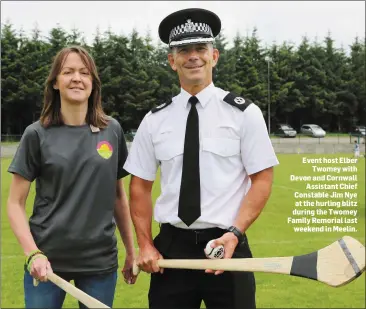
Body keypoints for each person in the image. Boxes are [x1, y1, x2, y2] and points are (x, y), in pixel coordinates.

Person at [124, 8, 279, 309]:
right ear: (172, 61)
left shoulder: (244, 114)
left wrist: (234, 234)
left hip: (228, 245)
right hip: (172, 249)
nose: (193, 56)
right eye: (184, 50)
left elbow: (262, 179)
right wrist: (145, 243)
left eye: (200, 48)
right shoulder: (154, 120)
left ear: (214, 56)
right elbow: (139, 187)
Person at [7, 46, 137, 309]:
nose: (77, 78)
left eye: (84, 72)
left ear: (93, 83)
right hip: (47, 264)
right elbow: (14, 203)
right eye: (68, 72)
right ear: (56, 82)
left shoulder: (111, 130)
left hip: (100, 263)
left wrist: (131, 251)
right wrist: (33, 253)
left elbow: (119, 197)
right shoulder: (37, 134)